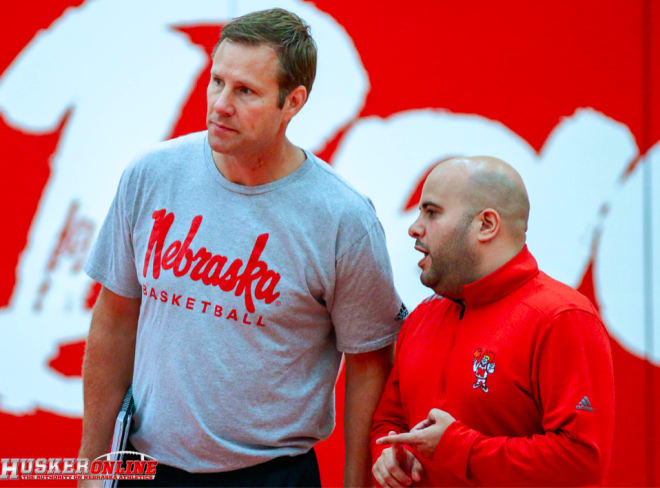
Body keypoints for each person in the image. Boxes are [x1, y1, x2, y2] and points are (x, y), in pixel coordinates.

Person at [79, 8, 406, 487]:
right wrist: (90, 462)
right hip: (143, 468)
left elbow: (370, 362)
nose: (220, 104)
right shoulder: (151, 175)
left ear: (292, 102)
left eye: (245, 91)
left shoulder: (343, 218)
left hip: (271, 475)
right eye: (217, 82)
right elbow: (115, 317)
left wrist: (357, 484)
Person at [370, 156, 615, 486]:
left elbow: (581, 462)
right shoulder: (422, 317)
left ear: (486, 225)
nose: (414, 227)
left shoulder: (563, 319)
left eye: (431, 212)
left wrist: (460, 449)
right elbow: (389, 420)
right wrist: (390, 454)